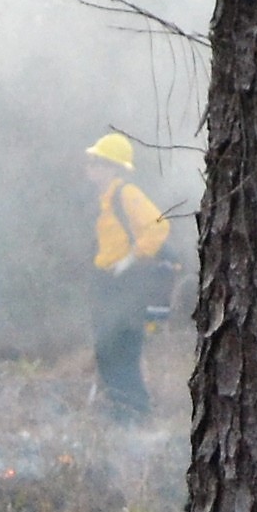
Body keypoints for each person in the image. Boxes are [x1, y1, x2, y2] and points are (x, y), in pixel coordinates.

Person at [84, 132, 172, 419]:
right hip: (109, 284)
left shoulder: (126, 193)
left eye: (97, 162)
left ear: (112, 166)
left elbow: (159, 226)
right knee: (106, 349)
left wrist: (133, 258)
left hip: (127, 285)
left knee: (121, 349)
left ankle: (134, 415)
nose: (91, 167)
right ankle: (121, 415)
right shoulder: (105, 199)